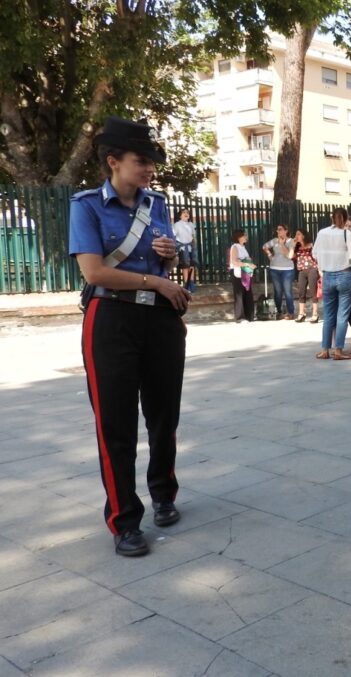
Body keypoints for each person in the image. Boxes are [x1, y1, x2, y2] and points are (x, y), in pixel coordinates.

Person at [69, 116, 191, 557]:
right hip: (110, 320)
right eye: (141, 161)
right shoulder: (85, 205)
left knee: (164, 415)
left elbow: (163, 264)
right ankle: (124, 519)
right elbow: (95, 271)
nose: (149, 170)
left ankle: (163, 494)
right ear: (113, 161)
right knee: (115, 423)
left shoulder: (155, 204)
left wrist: (169, 257)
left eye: (152, 162)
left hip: (158, 320)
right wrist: (157, 282)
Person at [314, 211, 351, 360]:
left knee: (328, 315)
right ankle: (338, 350)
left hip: (327, 275)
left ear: (331, 218)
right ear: (346, 219)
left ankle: (325, 350)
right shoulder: (347, 233)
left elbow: (315, 254)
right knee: (342, 315)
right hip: (345, 275)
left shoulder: (322, 233)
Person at [262, 224, 296, 320]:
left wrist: (281, 244)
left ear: (286, 230)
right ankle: (278, 312)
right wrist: (270, 256)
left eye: (280, 229)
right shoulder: (274, 241)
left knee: (288, 291)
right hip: (274, 269)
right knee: (278, 291)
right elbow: (264, 246)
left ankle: (291, 312)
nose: (278, 231)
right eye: (277, 230)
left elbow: (289, 256)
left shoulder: (291, 241)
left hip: (287, 270)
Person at [293, 229, 320, 323]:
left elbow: (317, 257)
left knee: (313, 291)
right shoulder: (297, 247)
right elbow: (290, 256)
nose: (296, 236)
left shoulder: (311, 245)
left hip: (312, 269)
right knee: (301, 291)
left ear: (304, 235)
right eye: (296, 234)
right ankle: (301, 313)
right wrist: (293, 244)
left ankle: (315, 314)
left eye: (298, 234)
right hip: (301, 270)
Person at [229, 230, 256, 322]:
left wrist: (250, 263)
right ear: (238, 237)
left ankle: (249, 315)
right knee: (239, 294)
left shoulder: (243, 247)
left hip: (245, 273)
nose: (246, 237)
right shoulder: (235, 247)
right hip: (238, 273)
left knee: (247, 293)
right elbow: (234, 261)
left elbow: (245, 260)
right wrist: (247, 265)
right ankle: (240, 317)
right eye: (244, 235)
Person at [172, 208, 198, 292]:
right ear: (180, 215)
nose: (186, 214)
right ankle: (186, 285)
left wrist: (194, 245)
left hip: (191, 247)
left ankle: (192, 283)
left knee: (192, 266)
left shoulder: (191, 224)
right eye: (184, 212)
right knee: (185, 266)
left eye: (187, 212)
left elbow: (193, 236)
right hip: (183, 248)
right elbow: (173, 236)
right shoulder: (177, 225)